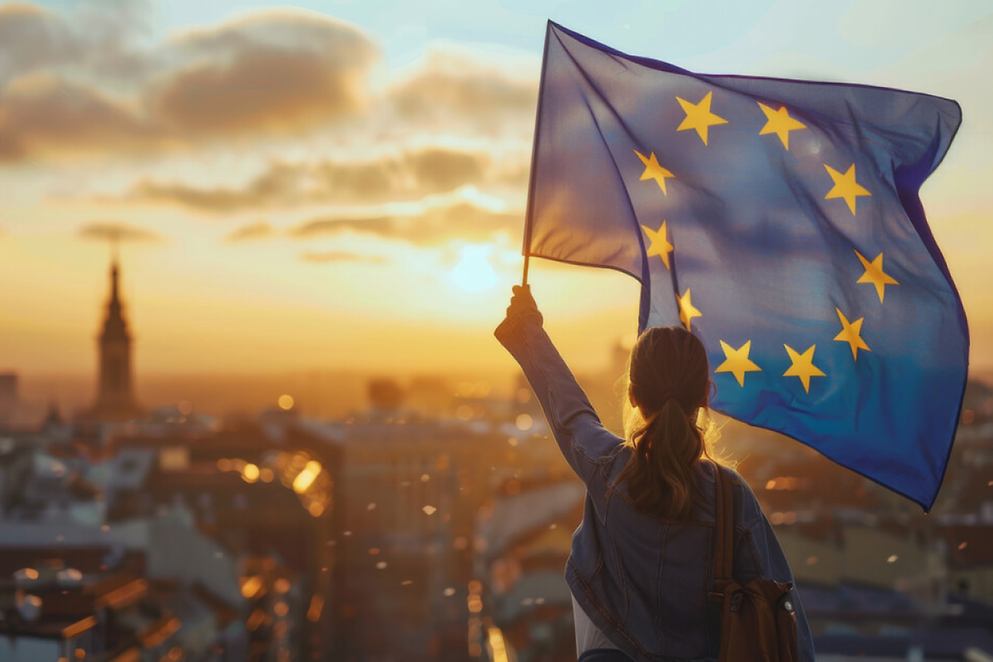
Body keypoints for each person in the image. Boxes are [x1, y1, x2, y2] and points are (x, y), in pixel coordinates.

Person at [495, 285, 815, 662]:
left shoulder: (608, 472)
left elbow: (569, 411)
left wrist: (528, 326)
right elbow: (780, 604)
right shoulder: (732, 497)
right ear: (705, 396)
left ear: (632, 394)